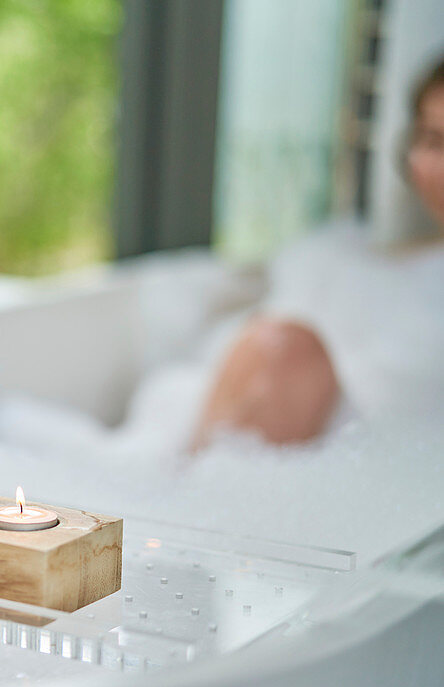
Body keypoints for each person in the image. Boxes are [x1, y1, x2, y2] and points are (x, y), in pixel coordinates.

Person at [190, 55, 444, 450]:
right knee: (277, 342)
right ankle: (179, 500)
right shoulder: (378, 261)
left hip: (383, 468)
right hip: (347, 460)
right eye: (433, 140)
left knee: (286, 349)